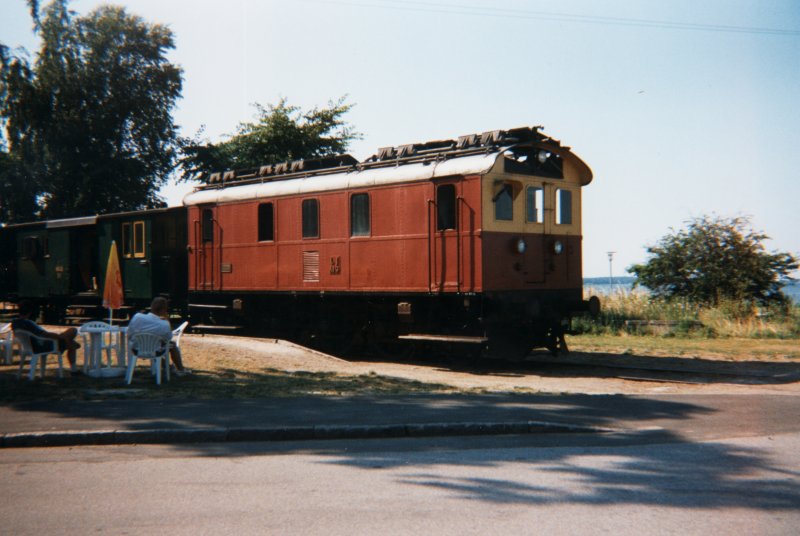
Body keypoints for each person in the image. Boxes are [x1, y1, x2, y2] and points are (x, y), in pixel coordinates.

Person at [11, 300, 80, 373]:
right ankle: (73, 369)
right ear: (30, 312)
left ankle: (70, 347)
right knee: (73, 331)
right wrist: (59, 336)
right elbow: (45, 334)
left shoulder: (15, 323)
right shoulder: (29, 323)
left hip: (30, 345)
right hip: (43, 345)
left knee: (70, 342)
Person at [127, 296, 190, 375]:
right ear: (164, 310)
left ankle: (168, 367)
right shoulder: (164, 324)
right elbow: (168, 338)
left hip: (136, 349)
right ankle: (180, 368)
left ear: (152, 306)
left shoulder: (137, 317)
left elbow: (129, 333)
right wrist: (167, 320)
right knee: (170, 345)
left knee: (154, 344)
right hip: (155, 350)